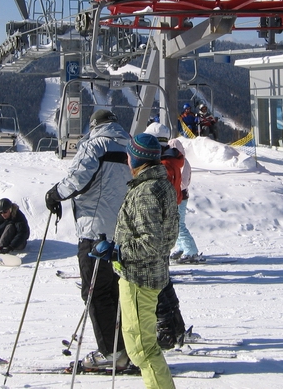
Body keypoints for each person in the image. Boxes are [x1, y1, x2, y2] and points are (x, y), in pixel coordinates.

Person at [44, 109, 132, 371]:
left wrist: (54, 194)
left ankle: (112, 353)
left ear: (94, 126)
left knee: (95, 292)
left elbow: (78, 180)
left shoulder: (95, 145)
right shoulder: (131, 147)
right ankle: (126, 347)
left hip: (95, 233)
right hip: (123, 234)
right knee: (116, 290)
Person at [92, 133, 179, 389]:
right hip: (149, 275)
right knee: (142, 346)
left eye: (129, 155)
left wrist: (117, 252)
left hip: (139, 279)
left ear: (137, 158)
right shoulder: (161, 185)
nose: (127, 159)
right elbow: (167, 236)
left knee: (142, 349)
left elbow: (151, 241)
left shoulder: (145, 192)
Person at [145, 123, 197, 349]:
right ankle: (175, 327)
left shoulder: (163, 164)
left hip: (158, 224)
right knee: (162, 279)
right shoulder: (174, 160)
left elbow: (157, 195)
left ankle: (168, 330)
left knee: (157, 280)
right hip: (168, 216)